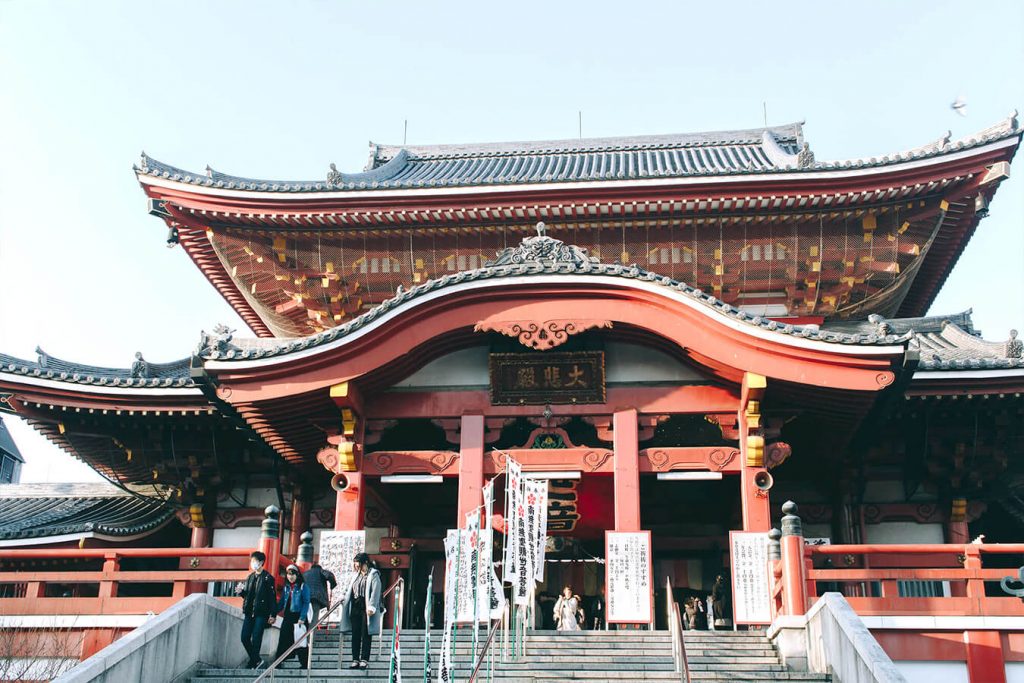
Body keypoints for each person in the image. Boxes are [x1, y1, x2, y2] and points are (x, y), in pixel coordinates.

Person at [339, 552, 383, 670]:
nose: (356, 566)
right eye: (355, 563)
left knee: (366, 633)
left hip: (366, 605)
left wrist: (372, 606)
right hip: (355, 606)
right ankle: (355, 659)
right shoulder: (355, 576)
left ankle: (364, 659)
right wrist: (343, 596)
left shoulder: (373, 575)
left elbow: (376, 591)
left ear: (365, 562)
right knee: (356, 633)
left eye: (358, 563)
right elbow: (348, 589)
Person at [236, 551, 276, 669]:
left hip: (262, 612)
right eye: (252, 561)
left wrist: (273, 614)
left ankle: (253, 662)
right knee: (244, 637)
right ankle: (257, 660)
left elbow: (272, 598)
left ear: (261, 562)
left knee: (257, 637)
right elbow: (248, 596)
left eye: (255, 561)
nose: (252, 563)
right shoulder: (250, 577)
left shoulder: (268, 578)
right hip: (249, 612)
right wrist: (241, 592)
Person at [273, 564, 312, 669]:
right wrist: (273, 613)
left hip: (299, 616)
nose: (290, 577)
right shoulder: (286, 587)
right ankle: (278, 662)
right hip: (288, 616)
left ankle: (304, 664)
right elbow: (281, 603)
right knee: (283, 638)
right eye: (289, 574)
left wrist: (302, 618)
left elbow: (306, 602)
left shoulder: (303, 586)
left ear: (297, 574)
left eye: (293, 574)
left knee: (300, 640)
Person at [303, 560, 337, 626]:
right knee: (314, 616)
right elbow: (330, 575)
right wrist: (333, 584)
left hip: (305, 597)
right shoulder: (320, 571)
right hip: (317, 597)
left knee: (305, 616)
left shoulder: (305, 574)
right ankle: (311, 634)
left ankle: (305, 633)